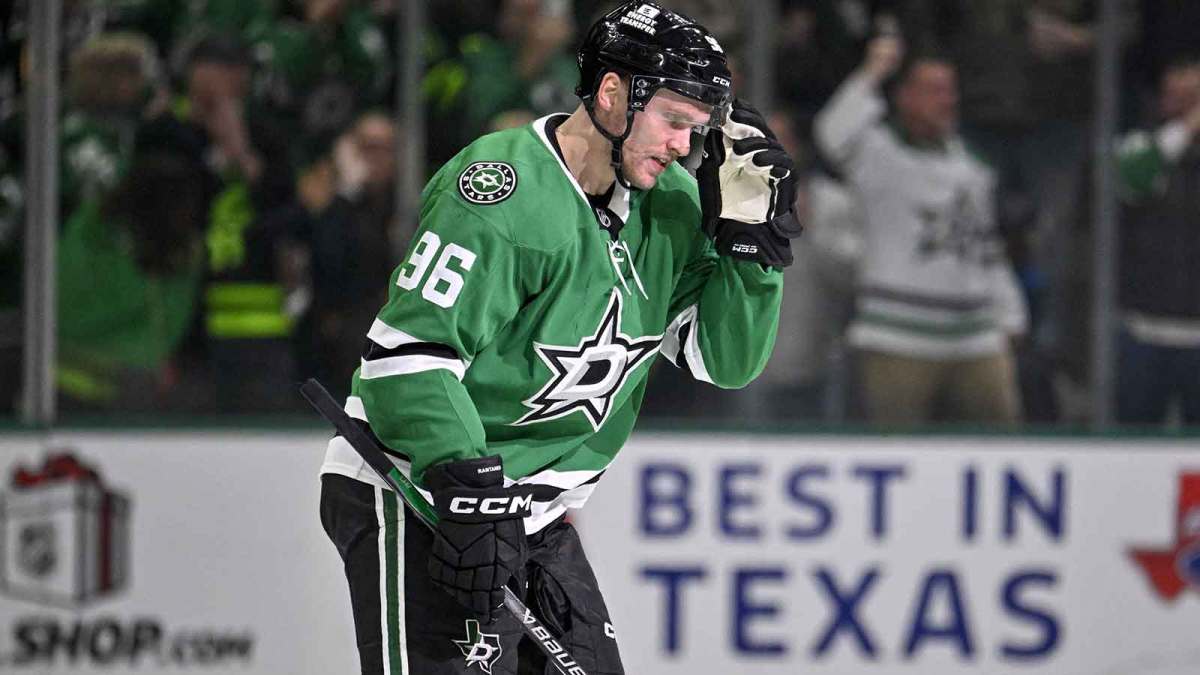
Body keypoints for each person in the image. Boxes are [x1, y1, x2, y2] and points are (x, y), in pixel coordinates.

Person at [317, 3, 802, 673]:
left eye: (696, 129)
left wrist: (754, 257)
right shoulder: (499, 192)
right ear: (611, 94)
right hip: (420, 490)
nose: (684, 147)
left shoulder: (672, 207)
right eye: (672, 120)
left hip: (534, 518)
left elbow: (723, 361)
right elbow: (407, 361)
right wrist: (464, 473)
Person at [814, 34, 1028, 427]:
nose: (947, 100)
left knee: (999, 448)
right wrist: (873, 72)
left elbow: (984, 245)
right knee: (900, 455)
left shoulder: (971, 165)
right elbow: (832, 133)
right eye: (934, 90)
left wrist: (1010, 311)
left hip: (975, 337)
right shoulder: (877, 154)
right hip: (897, 336)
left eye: (950, 91)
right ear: (905, 97)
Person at [1114, 57, 1200, 427]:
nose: (1188, 108)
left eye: (1194, 98)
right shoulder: (1139, 145)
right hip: (1144, 328)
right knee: (1135, 444)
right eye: (1178, 98)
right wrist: (1188, 127)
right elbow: (1133, 178)